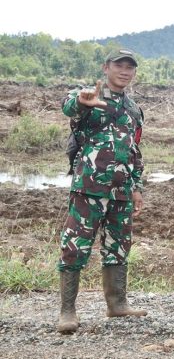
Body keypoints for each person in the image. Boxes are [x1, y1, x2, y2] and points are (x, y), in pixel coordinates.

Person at [57, 49, 147, 333]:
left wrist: (136, 187)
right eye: (119, 66)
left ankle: (117, 304)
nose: (124, 71)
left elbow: (135, 149)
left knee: (118, 246)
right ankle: (67, 311)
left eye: (129, 67)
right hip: (90, 187)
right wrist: (82, 102)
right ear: (105, 68)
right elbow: (69, 106)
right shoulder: (89, 96)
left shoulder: (133, 109)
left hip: (122, 190)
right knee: (75, 246)